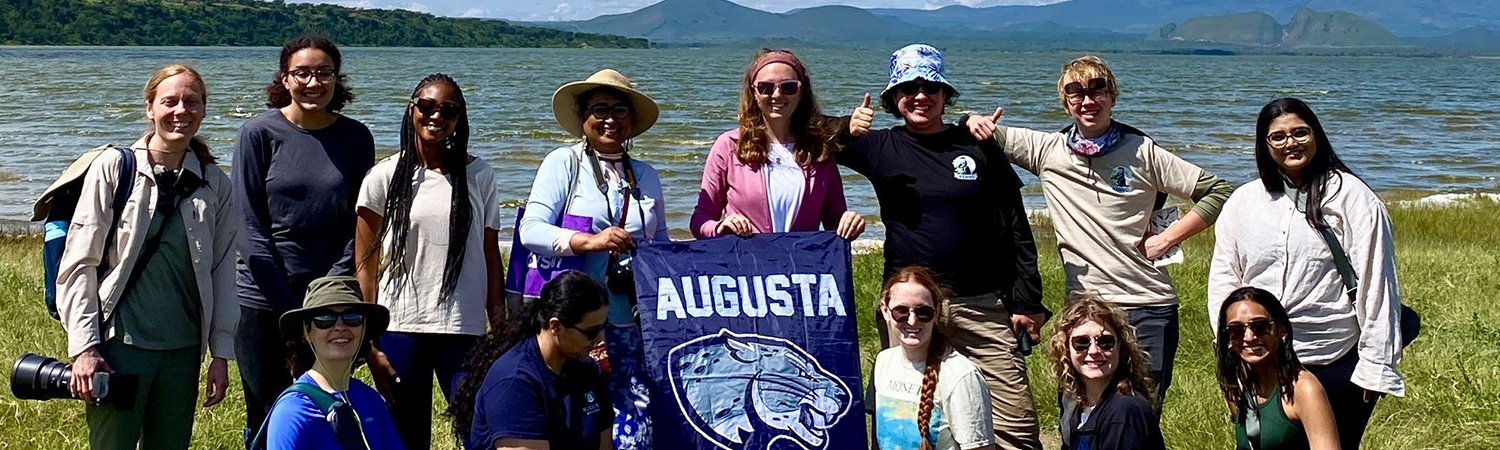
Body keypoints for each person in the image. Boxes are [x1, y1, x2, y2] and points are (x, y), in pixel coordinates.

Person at [962, 55, 1234, 402]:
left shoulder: (1142, 151)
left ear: (1112, 96)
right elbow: (982, 132)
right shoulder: (1048, 150)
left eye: (1097, 90)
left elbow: (1217, 190)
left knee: (1139, 417)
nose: (1087, 101)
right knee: (1078, 416)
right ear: (1065, 103)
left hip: (1148, 306)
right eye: (1075, 93)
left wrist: (1167, 237)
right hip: (1085, 307)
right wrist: (970, 119)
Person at [843, 44, 1046, 450]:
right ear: (892, 98)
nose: (920, 95)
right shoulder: (878, 146)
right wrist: (845, 127)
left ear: (944, 93)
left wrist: (1027, 301)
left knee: (1015, 426)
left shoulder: (974, 143)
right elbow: (799, 135)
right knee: (906, 423)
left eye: (930, 86)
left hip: (982, 304)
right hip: (909, 310)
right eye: (908, 88)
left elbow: (1015, 224)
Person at [56, 63, 238, 450]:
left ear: (204, 110)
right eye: (169, 101)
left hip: (184, 351)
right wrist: (85, 348)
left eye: (191, 102)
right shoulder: (114, 168)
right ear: (150, 108)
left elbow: (224, 272)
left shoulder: (215, 183)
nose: (180, 111)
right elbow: (79, 264)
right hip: (120, 347)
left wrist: (220, 354)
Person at [1209, 98, 1404, 449]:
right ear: (1264, 145)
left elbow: (1378, 283)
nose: (1291, 143)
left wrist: (1375, 368)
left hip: (1333, 358)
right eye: (1278, 137)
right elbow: (1225, 282)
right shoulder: (1243, 202)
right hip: (1262, 359)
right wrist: (1230, 352)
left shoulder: (1352, 197)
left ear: (1317, 136)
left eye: (1300, 132)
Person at [233, 35, 376, 440]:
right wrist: (290, 311)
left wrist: (328, 291)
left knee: (329, 409)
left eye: (324, 73)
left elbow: (360, 224)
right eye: (303, 73)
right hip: (264, 302)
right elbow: (248, 228)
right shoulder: (257, 134)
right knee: (268, 411)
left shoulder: (356, 137)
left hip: (331, 303)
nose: (314, 83)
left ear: (336, 78)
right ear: (285, 78)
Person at [518, 68, 670, 450]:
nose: (609, 119)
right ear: (583, 117)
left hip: (633, 321)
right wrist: (588, 242)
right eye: (599, 109)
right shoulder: (564, 164)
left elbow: (663, 241)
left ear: (632, 121)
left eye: (620, 110)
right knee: (578, 416)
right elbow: (531, 230)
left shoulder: (646, 175)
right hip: (577, 324)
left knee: (637, 415)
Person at [353, 73, 504, 449]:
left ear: (459, 118)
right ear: (412, 109)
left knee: (479, 432)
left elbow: (489, 256)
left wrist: (500, 328)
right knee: (406, 435)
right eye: (428, 106)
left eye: (449, 110)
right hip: (399, 325)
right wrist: (368, 342)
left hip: (463, 327)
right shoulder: (384, 176)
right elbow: (366, 265)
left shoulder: (479, 174)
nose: (437, 116)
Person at [690, 48, 864, 240]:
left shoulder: (818, 150)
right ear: (753, 92)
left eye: (788, 87)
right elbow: (700, 220)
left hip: (801, 265)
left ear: (801, 91)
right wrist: (719, 227)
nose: (777, 95)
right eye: (766, 87)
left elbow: (836, 223)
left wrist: (850, 223)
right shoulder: (729, 146)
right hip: (744, 265)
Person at [448, 271, 614, 450]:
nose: (600, 339)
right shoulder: (514, 382)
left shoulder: (588, 371)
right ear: (555, 326)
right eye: (591, 332)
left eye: (603, 328)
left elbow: (604, 445)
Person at [261, 276, 403, 449]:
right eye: (325, 318)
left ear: (363, 328)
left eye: (352, 317)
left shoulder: (371, 399)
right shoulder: (293, 411)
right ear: (306, 332)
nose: (340, 326)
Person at [872, 266, 997, 450]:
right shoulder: (884, 361)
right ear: (885, 311)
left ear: (937, 313)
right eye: (901, 311)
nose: (912, 321)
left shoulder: (961, 375)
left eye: (923, 312)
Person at [1216, 287, 1341, 450]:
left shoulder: (1305, 389)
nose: (1249, 337)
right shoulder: (1236, 384)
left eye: (1260, 326)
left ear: (1281, 329)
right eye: (1236, 330)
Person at [1048, 294, 1164, 450]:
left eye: (1105, 342)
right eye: (1081, 342)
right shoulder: (1079, 406)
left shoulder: (1124, 412)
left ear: (1120, 348)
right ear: (1066, 349)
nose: (1094, 351)